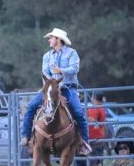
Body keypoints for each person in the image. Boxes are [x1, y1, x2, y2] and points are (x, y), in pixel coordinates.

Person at [19, 27, 91, 155]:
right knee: (31, 106)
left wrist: (61, 71)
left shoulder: (72, 53)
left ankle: (84, 143)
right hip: (51, 88)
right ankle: (26, 136)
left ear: (58, 39)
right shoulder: (47, 56)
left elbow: (75, 69)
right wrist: (51, 85)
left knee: (78, 112)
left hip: (68, 87)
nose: (49, 40)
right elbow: (45, 73)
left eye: (51, 38)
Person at [86, 92, 107, 166]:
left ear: (94, 98)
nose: (91, 98)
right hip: (100, 137)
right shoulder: (101, 108)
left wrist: (84, 116)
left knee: (93, 161)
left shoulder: (94, 108)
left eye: (92, 96)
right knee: (99, 161)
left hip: (94, 138)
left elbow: (91, 119)